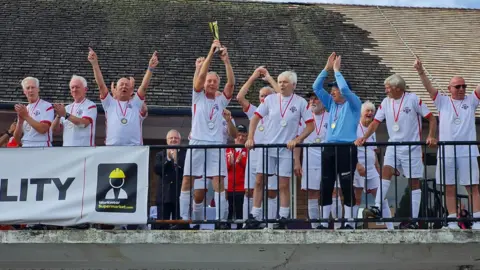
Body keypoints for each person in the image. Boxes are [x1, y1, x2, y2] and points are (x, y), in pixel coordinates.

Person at [355, 73, 437, 229]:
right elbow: (375, 123)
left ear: (398, 88)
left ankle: (414, 219)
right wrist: (365, 137)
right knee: (385, 172)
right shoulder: (386, 102)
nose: (386, 91)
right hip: (393, 145)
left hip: (411, 147)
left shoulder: (413, 99)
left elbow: (431, 118)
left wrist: (431, 136)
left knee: (413, 182)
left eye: (388, 88)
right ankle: (377, 207)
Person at [414, 58, 480, 229]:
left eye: (464, 86)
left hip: (468, 150)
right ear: (449, 88)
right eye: (457, 86)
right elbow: (429, 89)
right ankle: (451, 221)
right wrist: (421, 71)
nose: (461, 89)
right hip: (447, 151)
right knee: (448, 186)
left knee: (472, 186)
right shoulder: (442, 101)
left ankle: (478, 221)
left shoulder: (471, 101)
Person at [176, 40, 234, 230]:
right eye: (209, 81)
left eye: (214, 82)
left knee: (218, 181)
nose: (210, 83)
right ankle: (185, 220)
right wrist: (210, 51)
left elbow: (231, 84)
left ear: (217, 85)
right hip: (198, 142)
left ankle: (220, 221)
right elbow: (199, 80)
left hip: (216, 143)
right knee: (188, 180)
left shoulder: (221, 101)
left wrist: (226, 61)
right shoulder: (198, 96)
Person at [245, 69, 314, 229]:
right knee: (259, 180)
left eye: (285, 82)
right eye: (280, 82)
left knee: (283, 184)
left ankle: (283, 217)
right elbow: (255, 118)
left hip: (285, 148)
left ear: (293, 85)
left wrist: (297, 140)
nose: (282, 85)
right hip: (268, 146)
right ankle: (254, 215)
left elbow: (310, 126)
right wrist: (250, 137)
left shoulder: (301, 103)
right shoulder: (270, 100)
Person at [312, 52, 362, 229]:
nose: (332, 91)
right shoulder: (331, 103)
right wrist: (326, 69)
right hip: (329, 148)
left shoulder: (354, 103)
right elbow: (316, 87)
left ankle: (349, 221)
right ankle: (325, 222)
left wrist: (336, 71)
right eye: (332, 88)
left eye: (335, 88)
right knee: (326, 183)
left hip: (346, 148)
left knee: (347, 185)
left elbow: (346, 90)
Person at [88, 47, 158, 146]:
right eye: (121, 84)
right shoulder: (109, 103)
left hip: (134, 150)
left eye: (127, 85)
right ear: (115, 90)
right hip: (112, 150)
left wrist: (150, 68)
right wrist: (94, 64)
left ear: (131, 91)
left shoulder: (136, 103)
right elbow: (101, 85)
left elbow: (143, 87)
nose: (124, 86)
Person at [236, 66, 279, 227]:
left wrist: (269, 78)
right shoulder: (254, 111)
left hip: (272, 154)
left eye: (266, 96)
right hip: (254, 157)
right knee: (250, 190)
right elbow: (240, 97)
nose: (263, 99)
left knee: (272, 192)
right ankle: (252, 220)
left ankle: (270, 223)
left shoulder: (278, 111)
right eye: (261, 96)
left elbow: (283, 95)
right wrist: (253, 76)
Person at [354, 101, 393, 229]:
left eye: (372, 111)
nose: (370, 113)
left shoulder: (372, 130)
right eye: (367, 111)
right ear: (362, 113)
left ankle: (391, 227)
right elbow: (350, 149)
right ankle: (352, 226)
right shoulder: (354, 127)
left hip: (371, 169)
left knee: (382, 197)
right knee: (356, 198)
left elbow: (374, 152)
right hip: (358, 168)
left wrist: (378, 169)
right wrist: (356, 165)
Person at [294, 92, 329, 229]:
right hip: (310, 159)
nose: (313, 101)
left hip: (328, 158)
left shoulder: (331, 116)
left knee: (330, 190)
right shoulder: (304, 119)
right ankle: (315, 225)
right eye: (311, 99)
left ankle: (325, 223)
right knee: (312, 192)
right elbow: (298, 140)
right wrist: (297, 161)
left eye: (316, 98)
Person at [51, 75, 97, 146]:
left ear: (85, 89)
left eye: (77, 87)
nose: (74, 90)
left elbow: (83, 124)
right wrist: (58, 116)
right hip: (67, 151)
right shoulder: (67, 108)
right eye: (72, 87)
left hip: (85, 151)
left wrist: (65, 114)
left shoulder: (90, 105)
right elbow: (55, 130)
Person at [154, 129, 185, 229]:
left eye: (176, 138)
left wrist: (176, 161)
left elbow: (187, 171)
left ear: (179, 140)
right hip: (164, 195)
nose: (173, 140)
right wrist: (168, 159)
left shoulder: (185, 153)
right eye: (171, 138)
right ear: (167, 140)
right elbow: (157, 170)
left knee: (179, 226)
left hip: (180, 194)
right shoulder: (160, 154)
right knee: (162, 225)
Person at [13, 77, 54, 147]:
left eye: (33, 87)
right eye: (28, 88)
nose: (30, 90)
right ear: (24, 91)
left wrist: (26, 116)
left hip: (41, 145)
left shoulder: (46, 106)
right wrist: (20, 121)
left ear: (38, 89)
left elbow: (43, 129)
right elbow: (16, 139)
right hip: (25, 146)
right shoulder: (25, 109)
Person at [226, 124, 248, 226]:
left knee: (240, 214)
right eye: (239, 135)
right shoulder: (227, 150)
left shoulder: (248, 151)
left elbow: (249, 168)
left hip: (241, 188)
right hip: (228, 188)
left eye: (243, 135)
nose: (240, 138)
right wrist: (229, 164)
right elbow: (222, 169)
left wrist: (240, 162)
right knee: (228, 212)